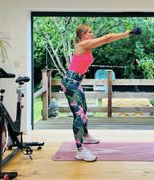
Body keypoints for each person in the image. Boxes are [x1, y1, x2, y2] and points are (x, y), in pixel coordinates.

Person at [61, 24, 131, 162]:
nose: (93, 34)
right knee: (78, 116)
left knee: (84, 109)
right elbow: (106, 38)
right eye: (90, 32)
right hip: (70, 83)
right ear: (83, 35)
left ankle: (85, 136)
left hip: (76, 82)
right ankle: (80, 151)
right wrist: (124, 34)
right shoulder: (83, 44)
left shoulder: (87, 46)